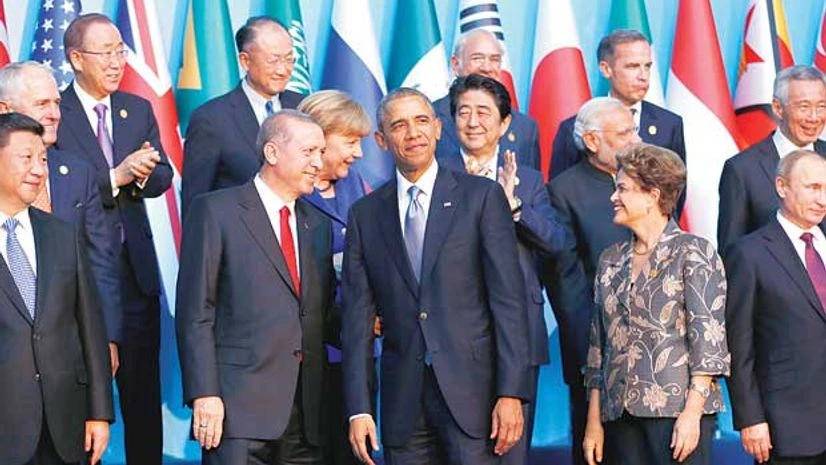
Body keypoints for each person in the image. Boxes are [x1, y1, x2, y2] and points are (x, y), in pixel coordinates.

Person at [343, 88, 530, 465]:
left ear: (439, 128)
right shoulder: (365, 214)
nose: (413, 133)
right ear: (381, 139)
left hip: (473, 400)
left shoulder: (481, 197)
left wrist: (511, 393)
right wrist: (359, 408)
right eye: (399, 125)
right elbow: (356, 318)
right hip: (402, 406)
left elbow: (508, 302)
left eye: (422, 121)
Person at [177, 109, 335, 465]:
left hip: (304, 415)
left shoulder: (318, 225)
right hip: (236, 412)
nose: (318, 163)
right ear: (272, 153)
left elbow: (318, 312)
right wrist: (205, 393)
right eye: (309, 152)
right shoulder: (216, 211)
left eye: (322, 153)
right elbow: (195, 312)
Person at [55, 13, 173, 465]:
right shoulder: (54, 114)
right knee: (85, 393)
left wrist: (141, 175)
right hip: (79, 273)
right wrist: (114, 177)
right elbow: (56, 189)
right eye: (105, 52)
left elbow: (161, 173)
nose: (116, 61)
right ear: (76, 58)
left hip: (135, 274)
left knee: (142, 391)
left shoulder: (136, 108)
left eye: (121, 50)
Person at [437, 73, 566, 465]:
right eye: (463, 112)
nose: (473, 121)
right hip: (450, 334)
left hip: (517, 335)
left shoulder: (526, 179)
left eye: (483, 112)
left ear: (505, 123)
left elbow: (556, 243)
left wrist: (514, 208)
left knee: (511, 450)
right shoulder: (435, 175)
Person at [583, 143, 729, 465]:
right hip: (618, 417)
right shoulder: (610, 260)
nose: (613, 197)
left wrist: (692, 414)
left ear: (652, 195)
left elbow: (709, 344)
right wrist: (593, 422)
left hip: (676, 416)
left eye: (622, 188)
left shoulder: (694, 252)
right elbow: (598, 350)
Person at [0, 112, 113, 465]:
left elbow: (89, 328)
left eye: (44, 159)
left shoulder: (61, 235)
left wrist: (99, 413)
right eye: (26, 158)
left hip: (65, 424)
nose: (38, 170)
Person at [0, 61, 122, 377]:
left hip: (70, 352)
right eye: (42, 104)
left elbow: (100, 262)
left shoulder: (78, 172)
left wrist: (106, 336)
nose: (55, 113)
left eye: (57, 103)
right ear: (4, 109)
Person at [543, 96, 639, 465]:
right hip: (596, 349)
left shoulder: (645, 181)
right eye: (624, 133)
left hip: (655, 351)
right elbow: (566, 280)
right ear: (593, 141)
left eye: (633, 130)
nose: (634, 139)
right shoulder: (564, 191)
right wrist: (595, 352)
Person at [725, 150, 826, 465]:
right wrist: (750, 418)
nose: (822, 199)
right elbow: (738, 344)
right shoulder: (749, 253)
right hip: (788, 427)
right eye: (812, 187)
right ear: (781, 187)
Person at [296, 90, 371, 465]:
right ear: (320, 138)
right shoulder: (289, 193)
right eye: (351, 142)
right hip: (308, 353)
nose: (358, 153)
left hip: (355, 348)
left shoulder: (356, 184)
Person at [550, 30, 686, 215]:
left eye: (647, 66)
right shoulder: (573, 127)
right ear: (606, 69)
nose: (643, 76)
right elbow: (562, 194)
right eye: (632, 66)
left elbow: (676, 190)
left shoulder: (668, 124)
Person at [181, 16, 304, 217]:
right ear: (245, 61)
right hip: (240, 242)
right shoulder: (212, 119)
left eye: (289, 59)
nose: (283, 70)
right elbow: (196, 203)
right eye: (273, 60)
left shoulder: (304, 108)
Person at [718, 65, 826, 254]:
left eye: (821, 107)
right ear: (778, 108)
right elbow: (732, 253)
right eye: (804, 107)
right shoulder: (742, 169)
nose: (814, 117)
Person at [434, 29, 540, 170]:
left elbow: (530, 186)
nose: (487, 68)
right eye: (477, 58)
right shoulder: (428, 116)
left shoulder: (524, 127)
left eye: (494, 59)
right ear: (455, 64)